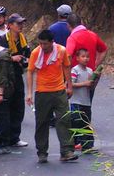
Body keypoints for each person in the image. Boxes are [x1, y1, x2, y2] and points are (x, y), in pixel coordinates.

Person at [26, 30, 77, 163]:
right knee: (42, 123)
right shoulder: (36, 53)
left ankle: (66, 150)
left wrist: (69, 86)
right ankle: (42, 152)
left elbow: (66, 67)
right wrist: (30, 93)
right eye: (41, 43)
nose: (43, 46)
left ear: (52, 42)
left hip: (59, 90)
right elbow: (30, 72)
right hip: (42, 92)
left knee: (64, 119)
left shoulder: (61, 51)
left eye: (45, 44)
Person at [0, 13, 32, 147]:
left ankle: (15, 137)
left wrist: (25, 60)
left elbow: (28, 56)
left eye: (22, 23)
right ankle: (4, 138)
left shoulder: (23, 40)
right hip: (6, 76)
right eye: (18, 24)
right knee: (5, 107)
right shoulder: (2, 40)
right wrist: (13, 58)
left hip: (18, 75)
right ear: (10, 25)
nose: (21, 26)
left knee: (18, 106)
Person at [66, 13, 108, 98]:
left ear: (68, 26)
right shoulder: (92, 35)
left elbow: (68, 56)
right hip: (90, 76)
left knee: (75, 106)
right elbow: (104, 50)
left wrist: (66, 76)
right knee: (87, 105)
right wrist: (95, 64)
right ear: (81, 22)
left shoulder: (72, 38)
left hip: (76, 77)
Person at [70, 48, 96, 152]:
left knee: (86, 123)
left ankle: (87, 145)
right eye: (83, 56)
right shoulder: (75, 70)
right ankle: (73, 144)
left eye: (87, 57)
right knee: (76, 122)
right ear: (77, 58)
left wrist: (94, 81)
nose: (86, 59)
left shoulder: (90, 71)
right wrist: (85, 83)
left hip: (86, 102)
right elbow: (71, 84)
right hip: (76, 102)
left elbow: (91, 87)